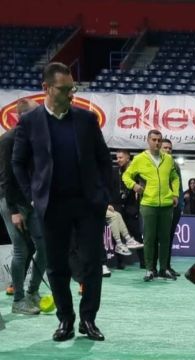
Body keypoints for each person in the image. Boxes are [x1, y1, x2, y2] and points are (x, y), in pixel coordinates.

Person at [13, 63, 112, 341]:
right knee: (57, 266)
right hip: (52, 206)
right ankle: (65, 320)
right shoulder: (29, 122)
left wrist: (104, 195)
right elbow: (18, 163)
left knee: (91, 264)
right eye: (64, 89)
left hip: (87, 205)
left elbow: (104, 160)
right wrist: (32, 196)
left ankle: (88, 320)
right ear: (46, 88)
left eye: (72, 88)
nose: (71, 94)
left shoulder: (87, 119)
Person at [0, 98, 45, 315]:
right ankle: (18, 300)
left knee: (44, 247)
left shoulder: (35, 139)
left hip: (30, 201)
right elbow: (5, 179)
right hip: (11, 202)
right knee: (21, 250)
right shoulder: (7, 140)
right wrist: (14, 211)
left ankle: (32, 292)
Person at [122, 129, 180, 282]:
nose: (157, 143)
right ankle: (149, 270)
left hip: (166, 204)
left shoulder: (168, 159)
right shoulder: (139, 159)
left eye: (159, 140)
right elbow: (126, 176)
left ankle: (164, 269)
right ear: (148, 141)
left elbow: (174, 177)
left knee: (165, 238)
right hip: (148, 204)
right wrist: (134, 186)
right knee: (149, 238)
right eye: (154, 140)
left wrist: (175, 194)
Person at [114, 149, 144, 268]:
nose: (118, 160)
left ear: (128, 158)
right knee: (117, 236)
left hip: (132, 208)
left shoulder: (136, 173)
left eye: (120, 157)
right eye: (117, 157)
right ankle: (119, 263)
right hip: (118, 208)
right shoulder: (115, 172)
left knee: (137, 235)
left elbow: (141, 188)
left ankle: (144, 262)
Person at [160, 139, 183, 276]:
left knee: (169, 238)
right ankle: (157, 268)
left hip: (175, 207)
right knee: (160, 239)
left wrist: (180, 204)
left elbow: (180, 186)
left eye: (170, 148)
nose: (168, 150)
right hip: (161, 206)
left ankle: (167, 266)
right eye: (165, 148)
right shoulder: (157, 164)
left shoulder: (175, 164)